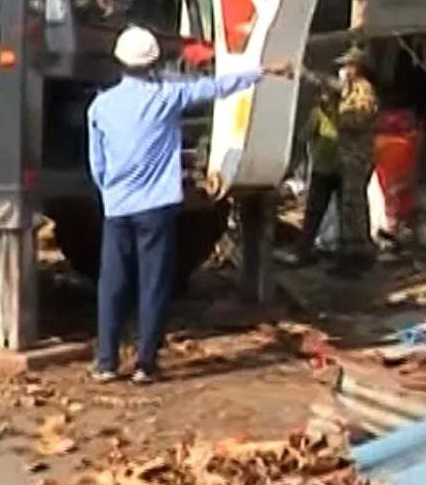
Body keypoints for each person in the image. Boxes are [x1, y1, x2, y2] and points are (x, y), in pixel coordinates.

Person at [88, 25, 294, 384]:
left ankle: (106, 361)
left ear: (119, 61)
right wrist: (263, 72)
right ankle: (145, 363)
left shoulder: (100, 106)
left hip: (117, 207)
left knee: (113, 283)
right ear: (153, 63)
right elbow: (215, 87)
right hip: (155, 206)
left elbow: (98, 164)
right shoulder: (167, 97)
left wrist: (111, 191)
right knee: (153, 283)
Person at [299, 46, 380, 277]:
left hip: (356, 158)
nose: (344, 70)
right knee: (348, 208)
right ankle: (349, 254)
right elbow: (330, 85)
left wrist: (335, 114)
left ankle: (357, 255)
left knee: (353, 209)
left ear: (357, 68)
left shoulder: (364, 91)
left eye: (347, 66)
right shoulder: (350, 90)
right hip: (348, 159)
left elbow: (357, 120)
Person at [290, 87, 344, 266]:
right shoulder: (347, 111)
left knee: (314, 212)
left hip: (323, 168)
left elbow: (303, 136)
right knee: (344, 211)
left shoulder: (318, 114)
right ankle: (341, 251)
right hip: (342, 167)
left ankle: (303, 251)